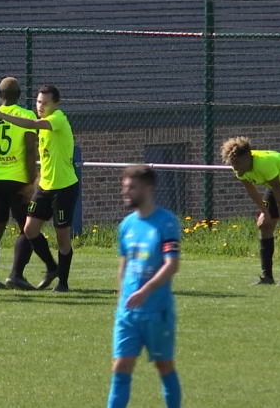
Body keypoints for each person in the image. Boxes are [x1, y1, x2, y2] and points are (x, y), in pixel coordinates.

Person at [0, 84, 79, 292]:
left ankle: (62, 283)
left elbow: (31, 123)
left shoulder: (57, 120)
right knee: (29, 229)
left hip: (64, 188)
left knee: (62, 238)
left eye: (45, 103)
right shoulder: (45, 124)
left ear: (56, 104)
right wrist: (34, 183)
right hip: (44, 188)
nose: (40, 106)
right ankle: (51, 268)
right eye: (38, 101)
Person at [107, 166, 182, 408]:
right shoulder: (126, 225)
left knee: (164, 367)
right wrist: (121, 302)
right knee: (120, 366)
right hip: (128, 315)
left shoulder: (166, 223)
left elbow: (172, 265)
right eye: (124, 187)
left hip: (157, 313)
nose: (125, 192)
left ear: (148, 189)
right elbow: (124, 265)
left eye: (132, 188)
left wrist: (146, 290)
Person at [220, 136, 280, 287]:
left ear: (248, 156)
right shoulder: (239, 169)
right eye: (232, 164)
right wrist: (265, 213)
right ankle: (267, 277)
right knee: (265, 225)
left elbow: (278, 188)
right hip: (275, 186)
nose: (235, 168)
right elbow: (251, 190)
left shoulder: (264, 163)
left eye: (238, 163)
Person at [0, 77, 38, 290]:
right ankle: (17, 275)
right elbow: (30, 150)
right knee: (27, 229)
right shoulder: (27, 115)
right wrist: (32, 182)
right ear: (20, 96)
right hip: (18, 180)